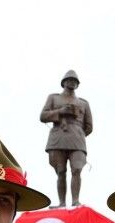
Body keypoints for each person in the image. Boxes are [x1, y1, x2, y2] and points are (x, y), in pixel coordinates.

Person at [40, 69, 93, 208]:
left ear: (78, 84)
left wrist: (77, 131)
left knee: (77, 169)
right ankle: (62, 203)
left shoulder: (84, 103)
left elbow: (89, 126)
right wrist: (60, 112)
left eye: (75, 81)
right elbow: (43, 116)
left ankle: (75, 201)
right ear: (63, 82)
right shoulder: (53, 98)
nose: (72, 82)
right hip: (58, 138)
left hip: (77, 140)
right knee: (61, 171)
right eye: (69, 80)